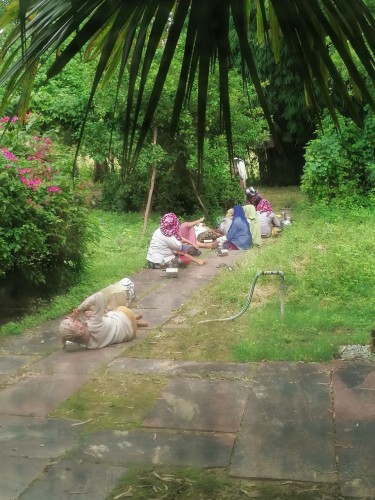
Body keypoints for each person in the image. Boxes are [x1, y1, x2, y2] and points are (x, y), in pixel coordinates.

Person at [58, 291, 148, 349]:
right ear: (77, 327)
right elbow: (99, 296)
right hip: (125, 317)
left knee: (101, 316)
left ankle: (135, 320)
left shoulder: (85, 343)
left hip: (129, 334)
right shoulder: (94, 325)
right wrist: (77, 310)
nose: (76, 320)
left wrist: (64, 336)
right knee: (114, 310)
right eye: (74, 321)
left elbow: (68, 336)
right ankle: (134, 318)